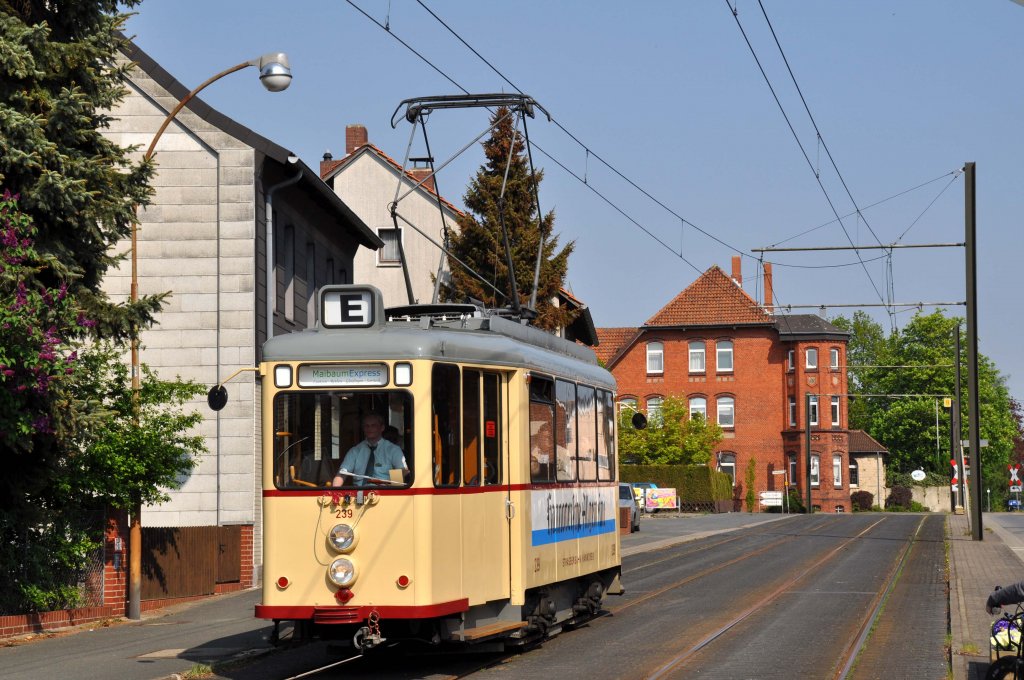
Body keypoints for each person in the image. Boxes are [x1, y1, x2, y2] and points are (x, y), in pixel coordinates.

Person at [332, 413, 408, 487]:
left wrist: (391, 489)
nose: (369, 428)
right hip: (359, 495)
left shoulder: (393, 450)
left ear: (382, 428)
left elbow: (403, 472)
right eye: (366, 426)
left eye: (373, 425)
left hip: (385, 494)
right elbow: (341, 474)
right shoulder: (355, 451)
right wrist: (334, 492)